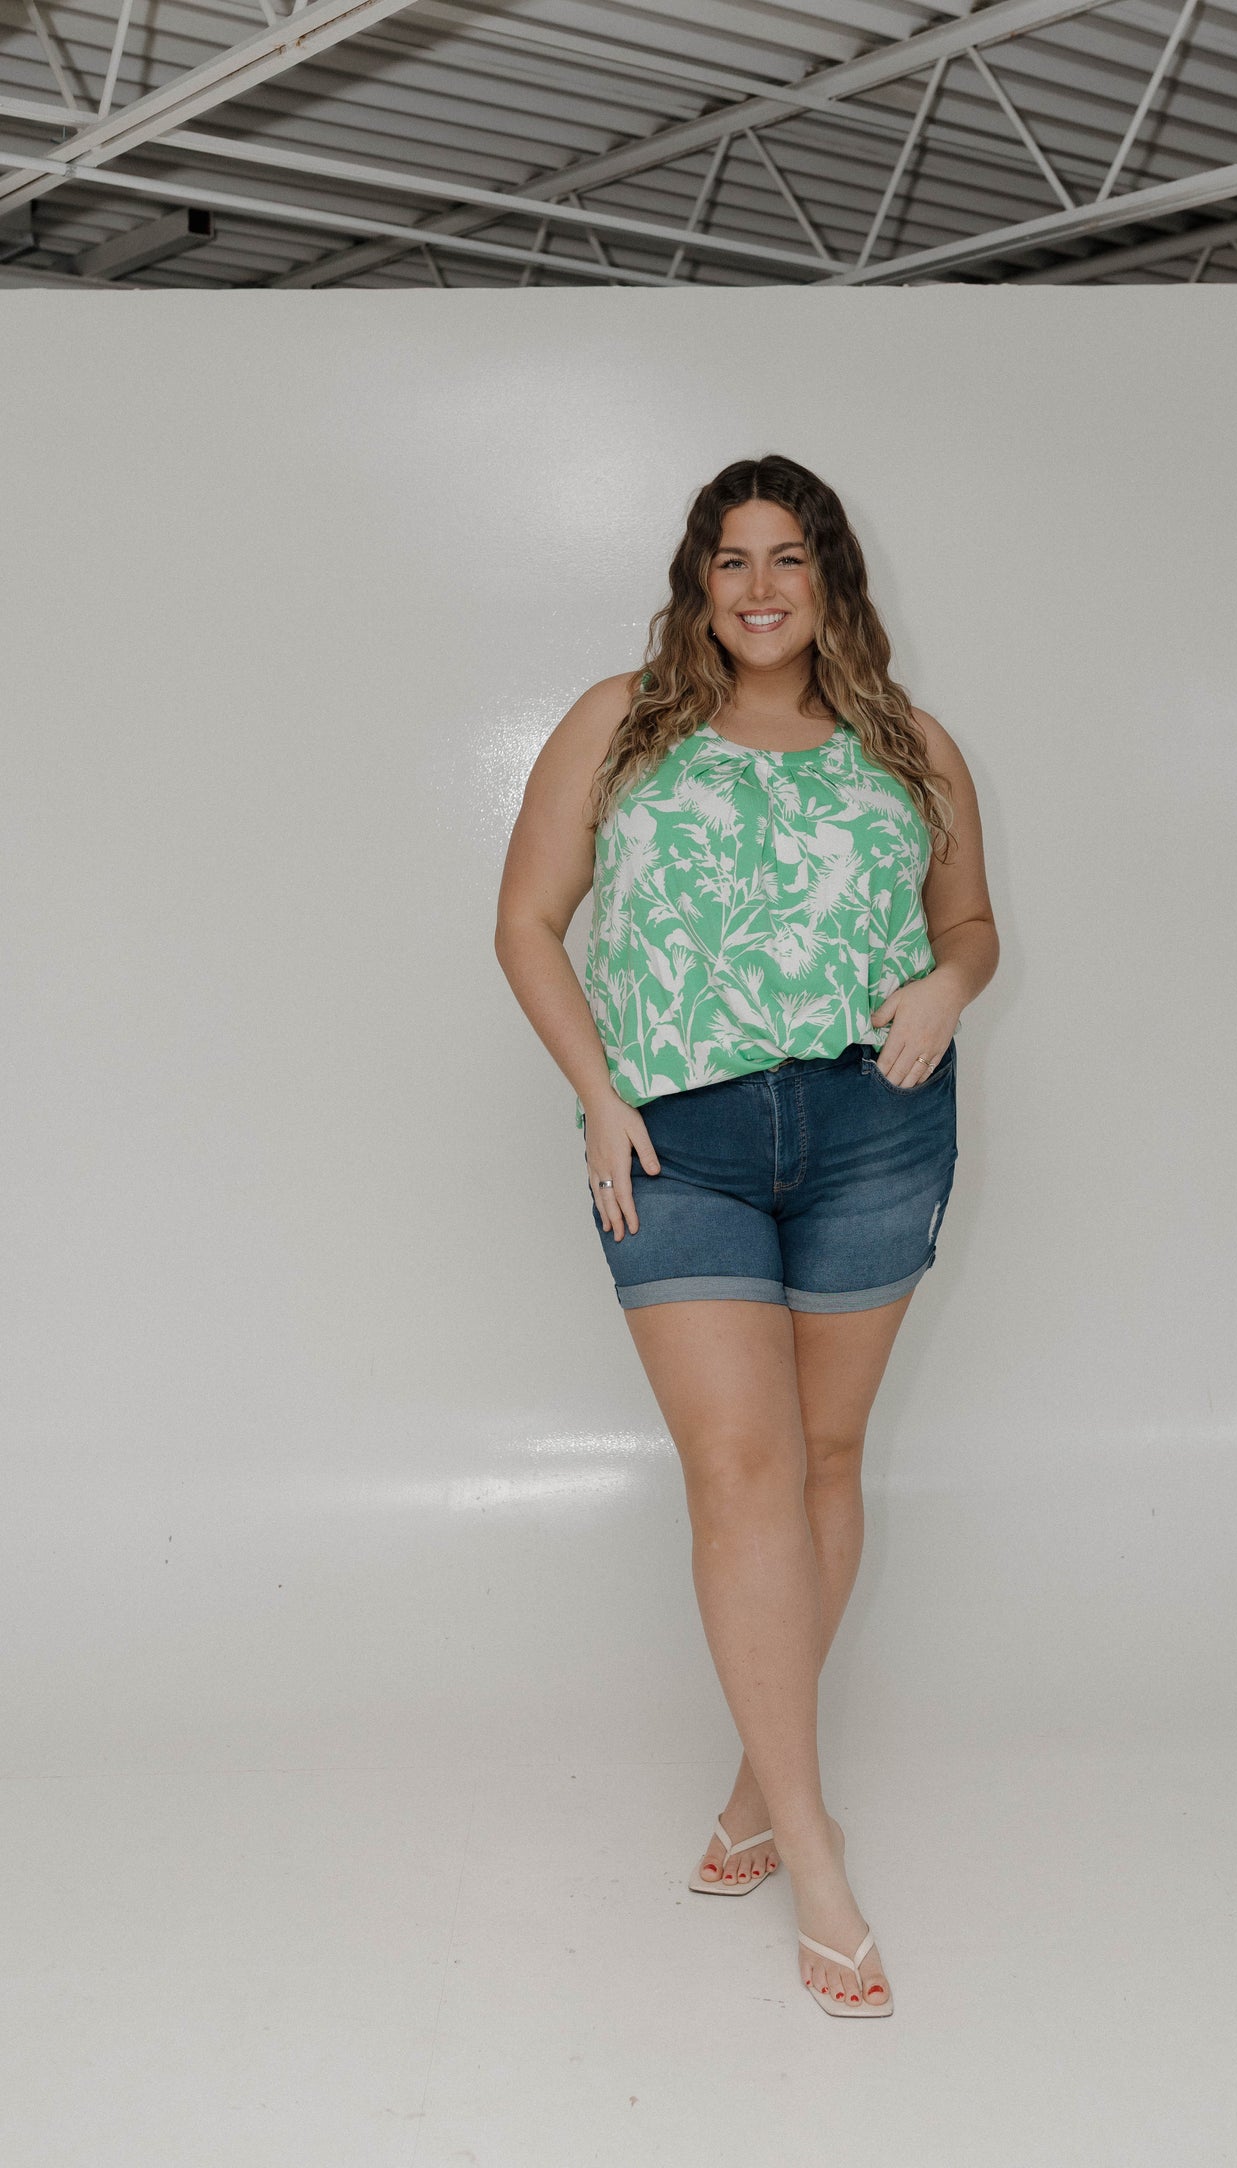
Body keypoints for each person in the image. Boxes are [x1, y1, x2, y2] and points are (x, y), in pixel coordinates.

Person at [494, 453, 999, 2018]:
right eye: (731, 561)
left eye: (789, 557)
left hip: (873, 1125)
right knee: (743, 1469)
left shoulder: (907, 743)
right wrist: (596, 1097)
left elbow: (970, 920)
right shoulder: (619, 721)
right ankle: (817, 1849)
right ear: (695, 581)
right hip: (677, 1137)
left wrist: (946, 984)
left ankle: (747, 1791)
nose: (761, 587)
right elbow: (524, 920)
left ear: (832, 576)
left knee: (828, 1463)